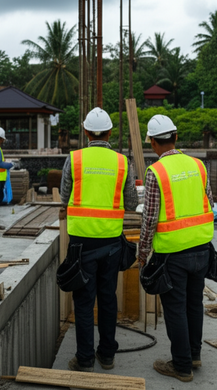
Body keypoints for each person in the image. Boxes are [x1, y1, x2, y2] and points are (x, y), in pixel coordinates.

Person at [60, 107, 138, 372]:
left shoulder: (75, 159)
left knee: (83, 301)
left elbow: (64, 196)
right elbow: (131, 202)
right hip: (111, 243)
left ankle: (84, 359)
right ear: (110, 132)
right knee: (107, 299)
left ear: (85, 132)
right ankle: (107, 355)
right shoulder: (122, 162)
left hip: (81, 243)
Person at [138, 114, 214, 383]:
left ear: (152, 143)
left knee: (175, 309)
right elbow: (209, 203)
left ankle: (182, 366)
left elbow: (149, 218)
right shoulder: (198, 165)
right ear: (176, 137)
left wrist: (142, 252)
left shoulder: (155, 172)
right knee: (194, 304)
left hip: (173, 253)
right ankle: (194, 355)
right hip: (202, 249)